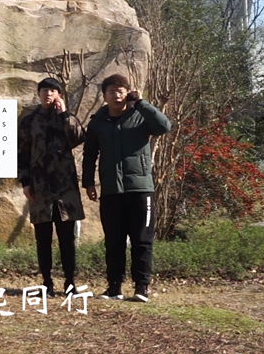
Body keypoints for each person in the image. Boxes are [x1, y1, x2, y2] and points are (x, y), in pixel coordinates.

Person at [82, 74, 171, 302]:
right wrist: (88, 182)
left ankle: (142, 287)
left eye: (121, 91)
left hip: (140, 189)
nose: (116, 95)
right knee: (114, 241)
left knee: (142, 240)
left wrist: (141, 103)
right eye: (111, 91)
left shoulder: (140, 116)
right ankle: (114, 288)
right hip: (111, 191)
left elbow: (164, 126)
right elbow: (90, 154)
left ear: (128, 93)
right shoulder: (97, 122)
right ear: (104, 96)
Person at [17, 77, 86, 297]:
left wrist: (64, 114)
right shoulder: (29, 121)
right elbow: (22, 153)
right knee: (43, 238)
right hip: (40, 189)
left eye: (52, 90)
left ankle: (70, 283)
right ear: (38, 94)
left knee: (67, 239)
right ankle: (47, 283)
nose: (48, 94)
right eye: (44, 90)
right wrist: (25, 182)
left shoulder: (67, 117)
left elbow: (77, 138)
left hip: (65, 190)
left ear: (59, 95)